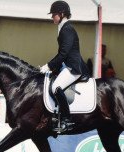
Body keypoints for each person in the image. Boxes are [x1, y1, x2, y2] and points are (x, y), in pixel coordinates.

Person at [39, 1, 89, 132]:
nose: (52, 17)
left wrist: (48, 66)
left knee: (56, 87)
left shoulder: (67, 29)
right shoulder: (63, 27)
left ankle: (67, 119)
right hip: (66, 65)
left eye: (54, 14)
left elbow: (63, 53)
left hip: (73, 67)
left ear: (61, 14)